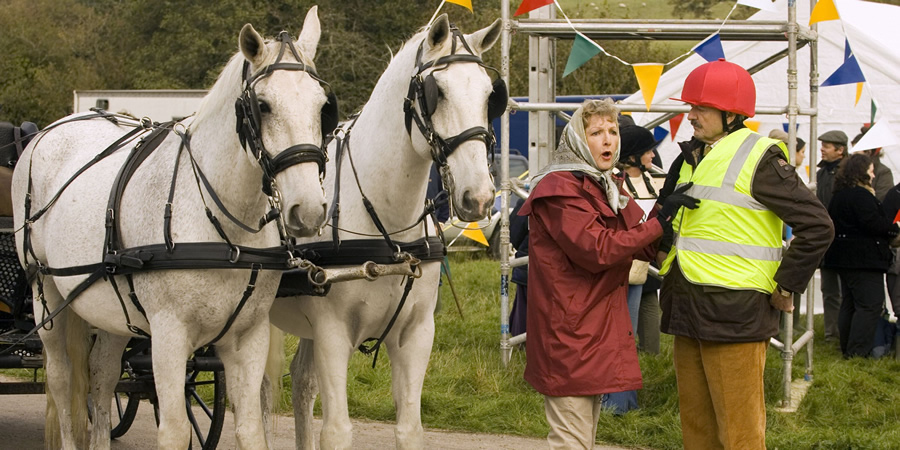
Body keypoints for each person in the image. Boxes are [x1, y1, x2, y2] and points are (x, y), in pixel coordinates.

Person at [660, 59, 834, 449]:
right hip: (687, 305)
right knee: (697, 428)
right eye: (690, 107)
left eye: (701, 108)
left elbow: (818, 226)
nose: (691, 116)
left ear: (732, 113)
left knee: (740, 434)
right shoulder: (692, 157)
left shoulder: (762, 159)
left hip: (735, 314)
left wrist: (787, 286)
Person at [519, 98, 698, 448]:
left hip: (593, 328)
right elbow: (597, 250)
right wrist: (658, 223)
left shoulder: (605, 185)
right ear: (576, 139)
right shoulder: (560, 188)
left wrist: (665, 201)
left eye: (613, 131)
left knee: (582, 439)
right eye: (596, 132)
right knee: (572, 441)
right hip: (568, 332)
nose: (608, 140)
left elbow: (641, 244)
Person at [823, 153, 899, 358]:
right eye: (871, 171)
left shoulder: (840, 194)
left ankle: (847, 348)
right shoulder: (860, 195)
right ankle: (857, 352)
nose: (873, 176)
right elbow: (873, 223)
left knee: (849, 304)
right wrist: (894, 227)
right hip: (862, 260)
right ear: (861, 172)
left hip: (843, 258)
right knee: (870, 305)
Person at [817, 129, 849, 342]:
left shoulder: (847, 172)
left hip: (844, 239)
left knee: (845, 289)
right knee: (828, 289)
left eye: (827, 146)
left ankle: (844, 332)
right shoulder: (820, 173)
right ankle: (831, 334)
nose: (822, 149)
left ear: (840, 150)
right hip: (826, 239)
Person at [852, 124, 894, 201]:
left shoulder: (883, 172)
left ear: (868, 152)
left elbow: (881, 199)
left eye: (856, 152)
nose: (853, 156)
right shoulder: (849, 171)